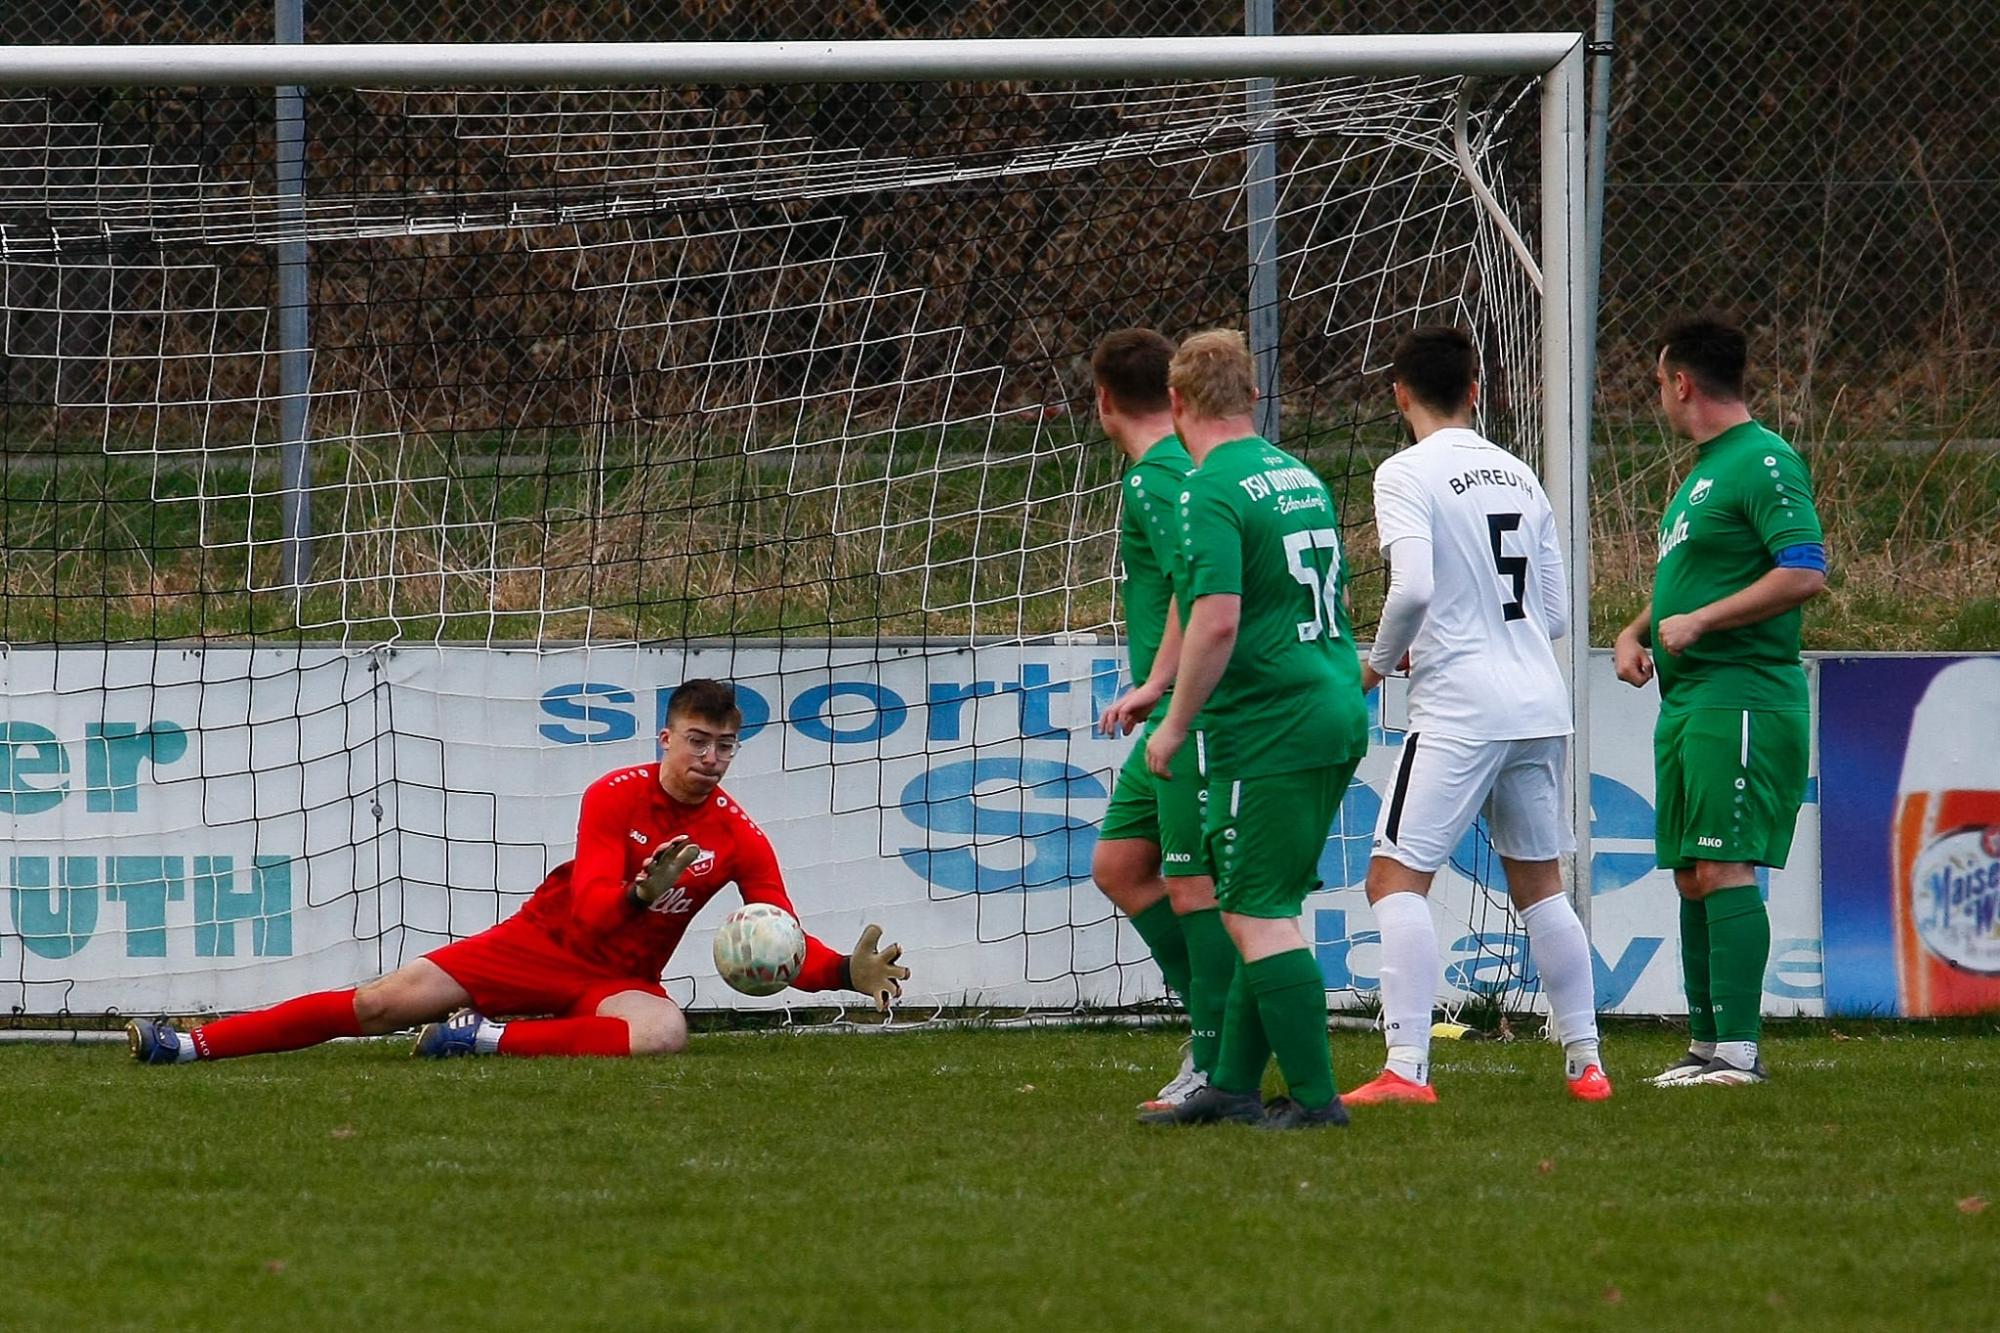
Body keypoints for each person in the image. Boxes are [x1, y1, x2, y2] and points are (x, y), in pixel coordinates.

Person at [127, 679, 910, 1063]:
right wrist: (645, 890)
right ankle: (189, 1045)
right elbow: (598, 911)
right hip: (539, 942)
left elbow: (775, 937)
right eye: (698, 740)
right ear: (665, 736)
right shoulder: (612, 796)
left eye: (725, 746)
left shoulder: (739, 837)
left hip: (614, 978)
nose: (711, 759)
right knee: (378, 1002)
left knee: (665, 1030)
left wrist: (842, 967)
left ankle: (480, 1040)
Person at [1341, 325, 1609, 1107]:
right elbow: (1555, 613)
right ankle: (1587, 1062)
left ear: (1399, 393)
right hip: (1537, 701)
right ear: (1477, 388)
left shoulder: (1405, 471)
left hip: (1461, 707)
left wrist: (1376, 665)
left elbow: (1414, 587)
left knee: (1394, 878)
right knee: (1541, 887)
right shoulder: (1522, 475)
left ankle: (1405, 1068)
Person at [1136, 329, 1369, 1130]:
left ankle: (1314, 1100)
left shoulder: (1208, 488)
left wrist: (1172, 723)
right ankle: (1232, 1084)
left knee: (1255, 914)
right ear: (1254, 397)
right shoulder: (1295, 474)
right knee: (1259, 901)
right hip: (1332, 700)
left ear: (1176, 405)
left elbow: (1218, 621)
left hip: (1270, 724)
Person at [1614, 316, 1825, 1087]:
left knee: (1726, 864)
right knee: (1692, 869)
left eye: (1657, 383)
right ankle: (1705, 1047)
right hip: (1689, 699)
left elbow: (1804, 569)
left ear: (1681, 383)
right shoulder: (1702, 472)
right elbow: (1692, 578)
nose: (1658, 398)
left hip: (1742, 695)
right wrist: (1637, 627)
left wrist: (1699, 621)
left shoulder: (1763, 459)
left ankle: (1739, 1049)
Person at [1089, 328, 1235, 1113]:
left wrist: (1159, 681)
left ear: (1104, 398)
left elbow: (1200, 584)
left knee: (1192, 883)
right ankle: (1215, 1023)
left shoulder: (1158, 478)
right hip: (1174, 708)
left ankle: (1217, 1050)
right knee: (1120, 864)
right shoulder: (1171, 468)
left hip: (1194, 710)